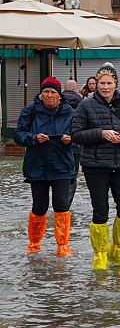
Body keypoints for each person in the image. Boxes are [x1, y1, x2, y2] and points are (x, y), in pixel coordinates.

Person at [71, 63, 120, 269]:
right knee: (100, 210)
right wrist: (101, 133)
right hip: (95, 165)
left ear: (116, 84)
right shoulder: (85, 105)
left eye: (109, 83)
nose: (105, 87)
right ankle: (99, 254)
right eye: (102, 83)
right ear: (96, 85)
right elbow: (76, 134)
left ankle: (117, 248)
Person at [14, 77, 76, 256]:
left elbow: (79, 137)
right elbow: (18, 134)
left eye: (53, 92)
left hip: (62, 165)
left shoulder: (69, 112)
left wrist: (69, 140)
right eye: (46, 92)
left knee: (62, 205)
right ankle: (34, 243)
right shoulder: (30, 110)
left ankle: (62, 245)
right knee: (39, 206)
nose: (49, 95)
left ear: (59, 95)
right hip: (37, 165)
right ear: (41, 94)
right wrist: (33, 138)